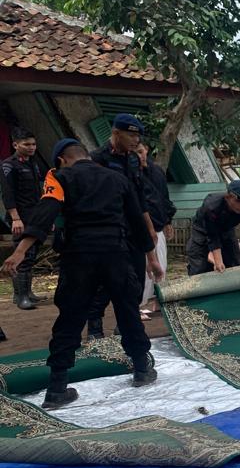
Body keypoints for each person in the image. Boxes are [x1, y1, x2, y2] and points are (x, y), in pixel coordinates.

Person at [1, 139, 162, 409]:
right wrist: (152, 258)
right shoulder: (118, 178)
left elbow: (45, 212)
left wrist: (20, 252)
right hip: (116, 254)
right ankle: (141, 369)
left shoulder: (60, 177)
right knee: (127, 310)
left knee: (70, 317)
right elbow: (137, 220)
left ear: (62, 160)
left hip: (79, 256)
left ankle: (57, 387)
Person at [86, 113, 157, 340]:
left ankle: (126, 323)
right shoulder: (98, 158)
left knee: (135, 278)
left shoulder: (134, 159)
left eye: (138, 136)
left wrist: (149, 227)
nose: (136, 140)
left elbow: (139, 196)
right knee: (106, 280)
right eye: (131, 134)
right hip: (108, 229)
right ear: (116, 133)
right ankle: (95, 325)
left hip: (133, 227)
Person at [185, 179, 240, 288]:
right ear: (228, 197)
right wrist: (218, 261)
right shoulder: (211, 206)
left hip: (226, 229)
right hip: (202, 229)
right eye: (238, 201)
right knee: (200, 267)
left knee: (234, 262)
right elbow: (212, 236)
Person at [1, 127, 47, 309]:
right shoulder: (8, 165)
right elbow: (7, 194)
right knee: (22, 256)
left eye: (33, 144)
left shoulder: (33, 164)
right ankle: (20, 297)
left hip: (34, 215)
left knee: (32, 255)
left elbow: (39, 192)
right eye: (26, 144)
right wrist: (15, 218)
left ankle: (26, 292)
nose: (31, 147)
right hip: (19, 217)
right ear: (15, 144)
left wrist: (45, 217)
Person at [137, 142, 176, 312]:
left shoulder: (157, 171)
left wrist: (168, 220)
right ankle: (139, 304)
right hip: (139, 228)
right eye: (136, 153)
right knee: (143, 269)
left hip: (159, 225)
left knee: (162, 265)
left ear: (146, 149)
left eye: (141, 151)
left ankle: (157, 301)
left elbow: (164, 197)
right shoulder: (131, 174)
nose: (140, 156)